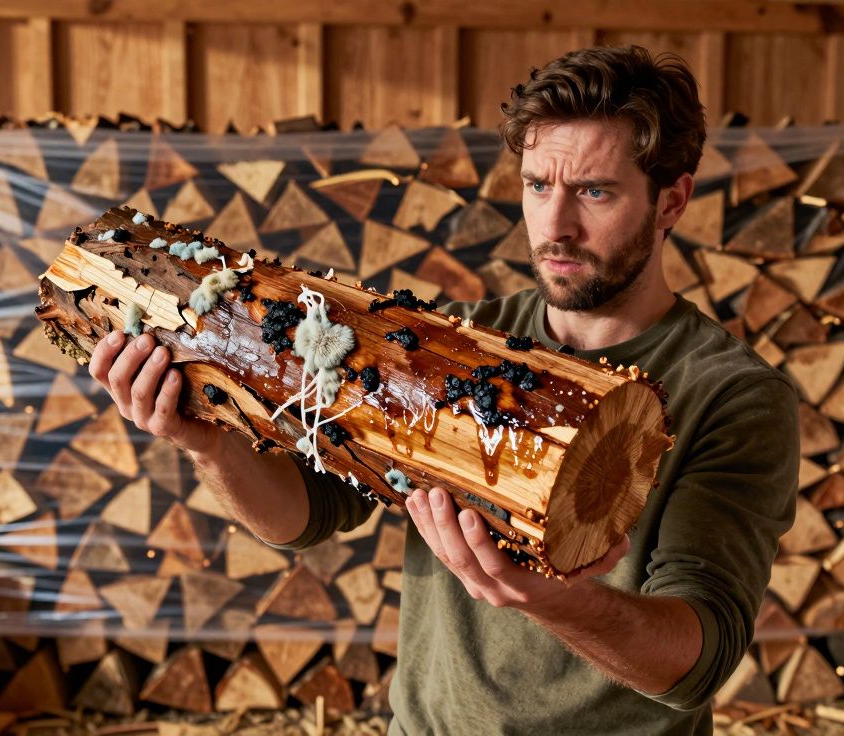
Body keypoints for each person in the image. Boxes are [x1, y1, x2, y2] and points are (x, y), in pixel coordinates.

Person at [88, 45, 799, 736]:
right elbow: (307, 514)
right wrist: (208, 443)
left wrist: (551, 600)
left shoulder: (731, 395)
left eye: (594, 192)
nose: (555, 226)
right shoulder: (458, 340)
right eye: (538, 186)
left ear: (671, 202)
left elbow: (698, 657)